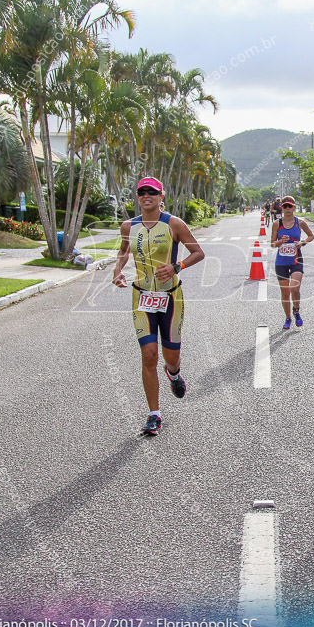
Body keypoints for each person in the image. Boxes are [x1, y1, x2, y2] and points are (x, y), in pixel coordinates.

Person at [113, 177, 205, 435]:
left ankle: (174, 374)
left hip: (171, 298)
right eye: (141, 192)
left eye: (151, 192)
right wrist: (117, 271)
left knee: (170, 357)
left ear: (161, 196)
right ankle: (154, 414)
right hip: (142, 297)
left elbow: (198, 252)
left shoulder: (174, 224)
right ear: (137, 197)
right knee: (148, 355)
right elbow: (123, 252)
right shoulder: (128, 226)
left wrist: (177, 266)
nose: (146, 196)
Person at [270, 195, 314, 329]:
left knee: (295, 288)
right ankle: (288, 317)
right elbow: (272, 244)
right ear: (281, 208)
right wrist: (280, 242)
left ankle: (296, 310)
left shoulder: (300, 223)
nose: (288, 209)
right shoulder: (277, 224)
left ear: (294, 207)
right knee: (285, 292)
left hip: (296, 259)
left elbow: (311, 236)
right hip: (281, 261)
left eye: (290, 206)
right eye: (285, 206)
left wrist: (303, 242)